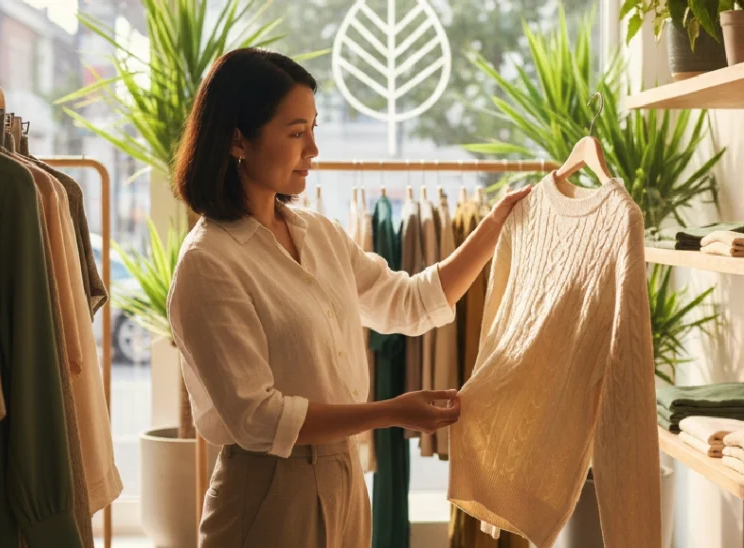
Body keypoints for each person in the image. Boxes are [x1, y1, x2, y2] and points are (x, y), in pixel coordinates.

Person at [167, 48, 532, 548]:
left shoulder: (319, 234)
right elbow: (259, 418)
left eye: (313, 128)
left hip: (345, 475)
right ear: (237, 140)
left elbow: (409, 302)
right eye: (297, 133)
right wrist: (391, 412)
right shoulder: (209, 263)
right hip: (268, 493)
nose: (313, 149)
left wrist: (493, 228)